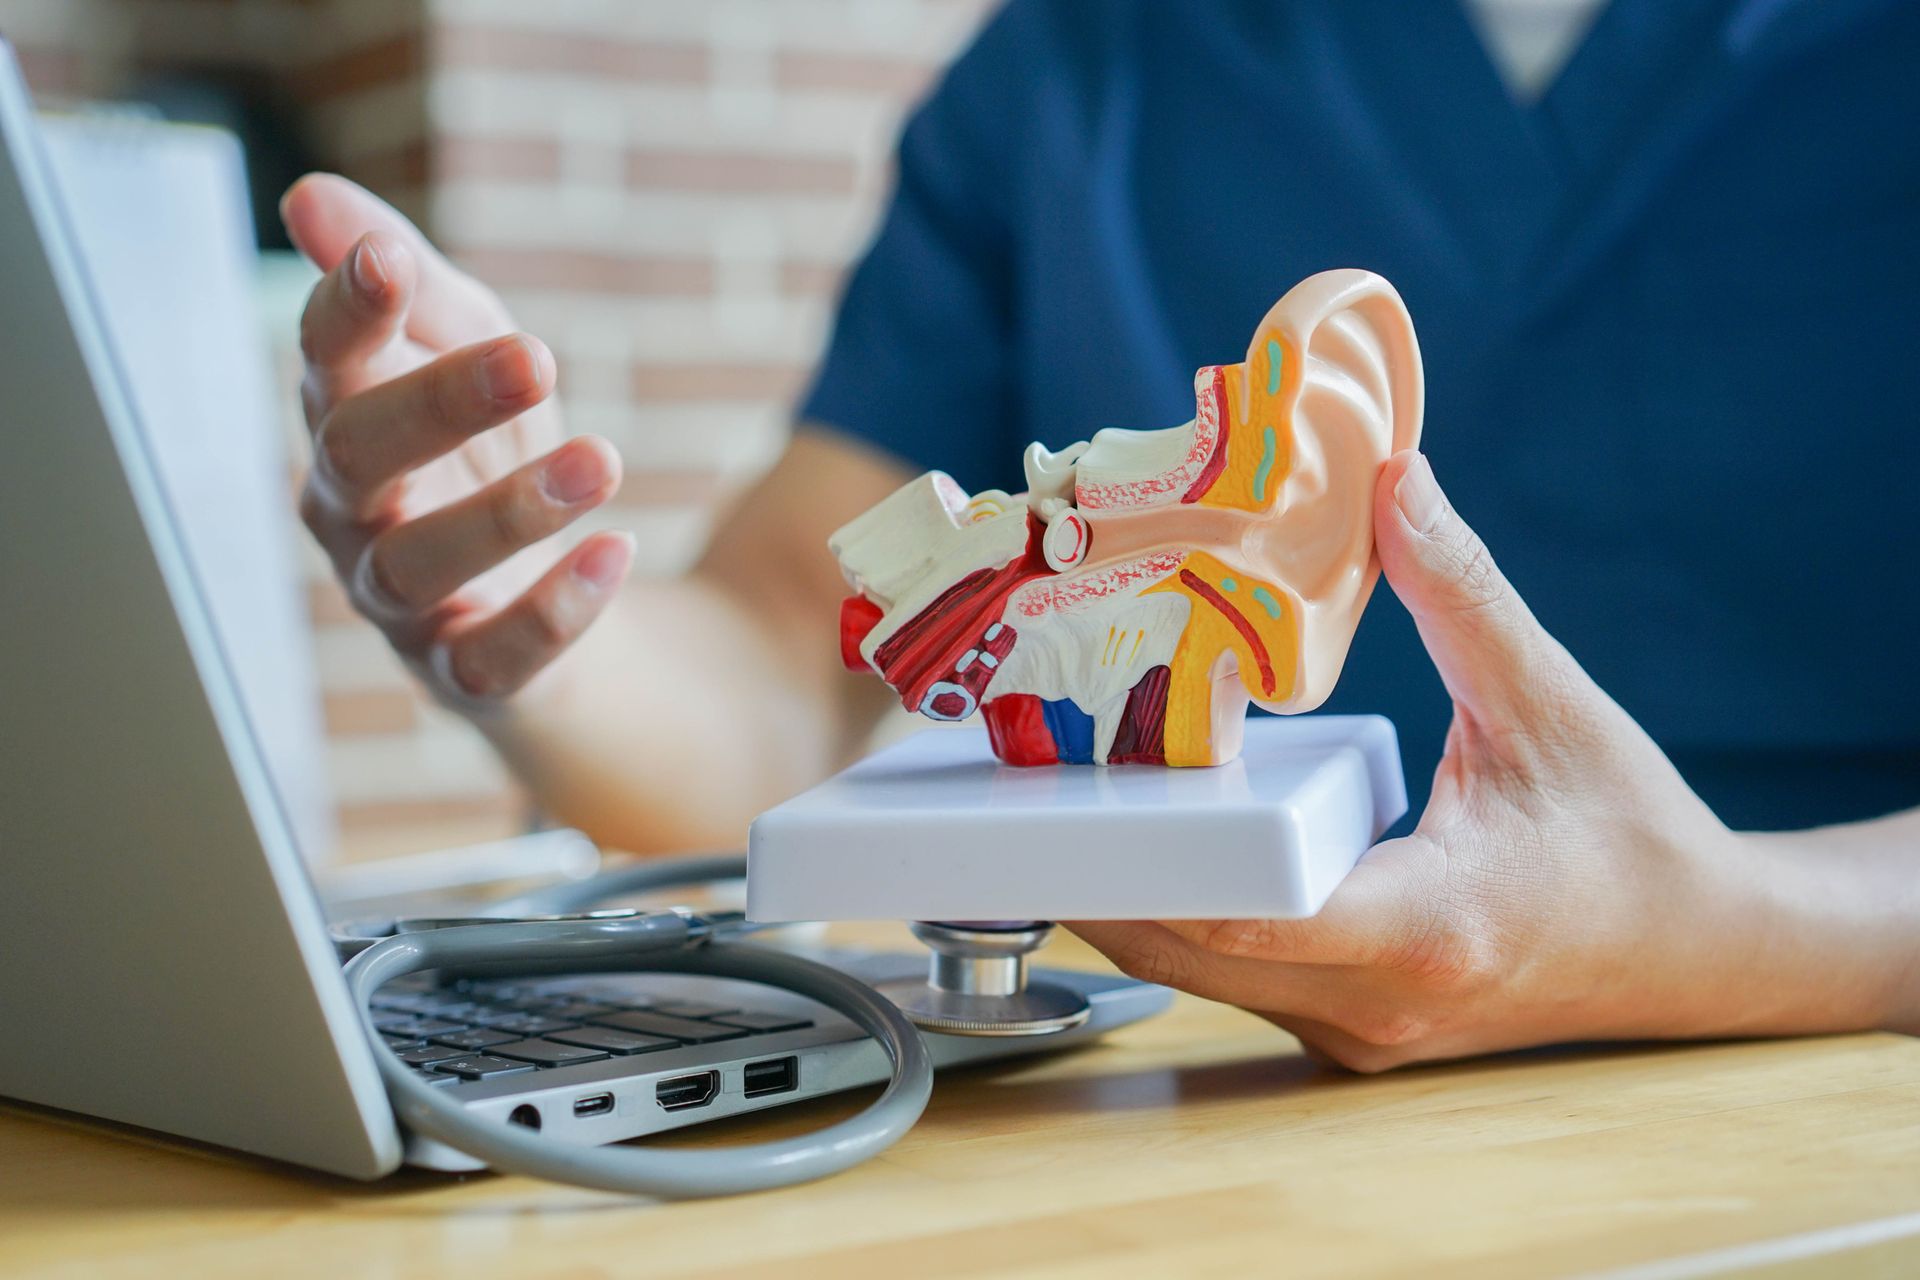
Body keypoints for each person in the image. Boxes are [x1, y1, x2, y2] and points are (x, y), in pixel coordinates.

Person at [279, 0, 1920, 1071]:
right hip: (1178, 1123)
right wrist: (540, 619)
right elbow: (793, 675)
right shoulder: (1081, 62)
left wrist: (1746, 932)